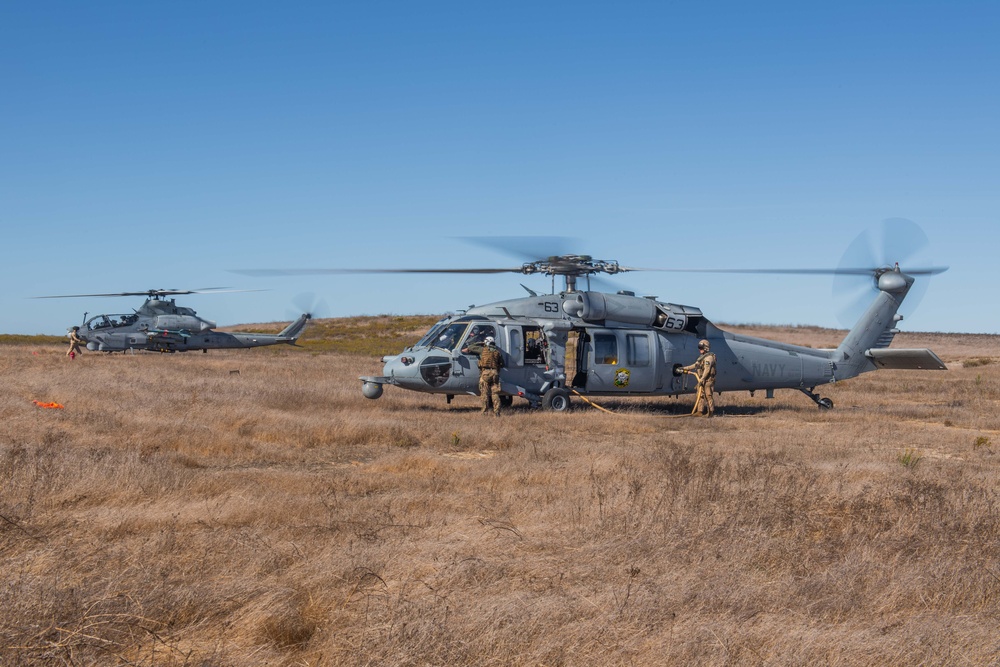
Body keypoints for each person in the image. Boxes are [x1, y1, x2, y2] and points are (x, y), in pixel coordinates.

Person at [467, 335, 505, 416]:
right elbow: (502, 364)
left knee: (484, 393)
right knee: (495, 393)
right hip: (495, 373)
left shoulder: (482, 350)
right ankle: (497, 412)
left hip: (485, 373)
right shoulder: (497, 352)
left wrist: (480, 342)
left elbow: (471, 347)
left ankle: (484, 412)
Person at [681, 339, 717, 417]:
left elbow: (707, 370)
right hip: (701, 379)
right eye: (699, 347)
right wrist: (684, 368)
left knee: (708, 395)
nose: (700, 349)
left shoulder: (709, 358)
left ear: (706, 348)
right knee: (700, 395)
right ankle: (699, 411)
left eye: (701, 347)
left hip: (708, 380)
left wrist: (702, 379)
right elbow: (695, 365)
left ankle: (710, 412)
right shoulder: (701, 358)